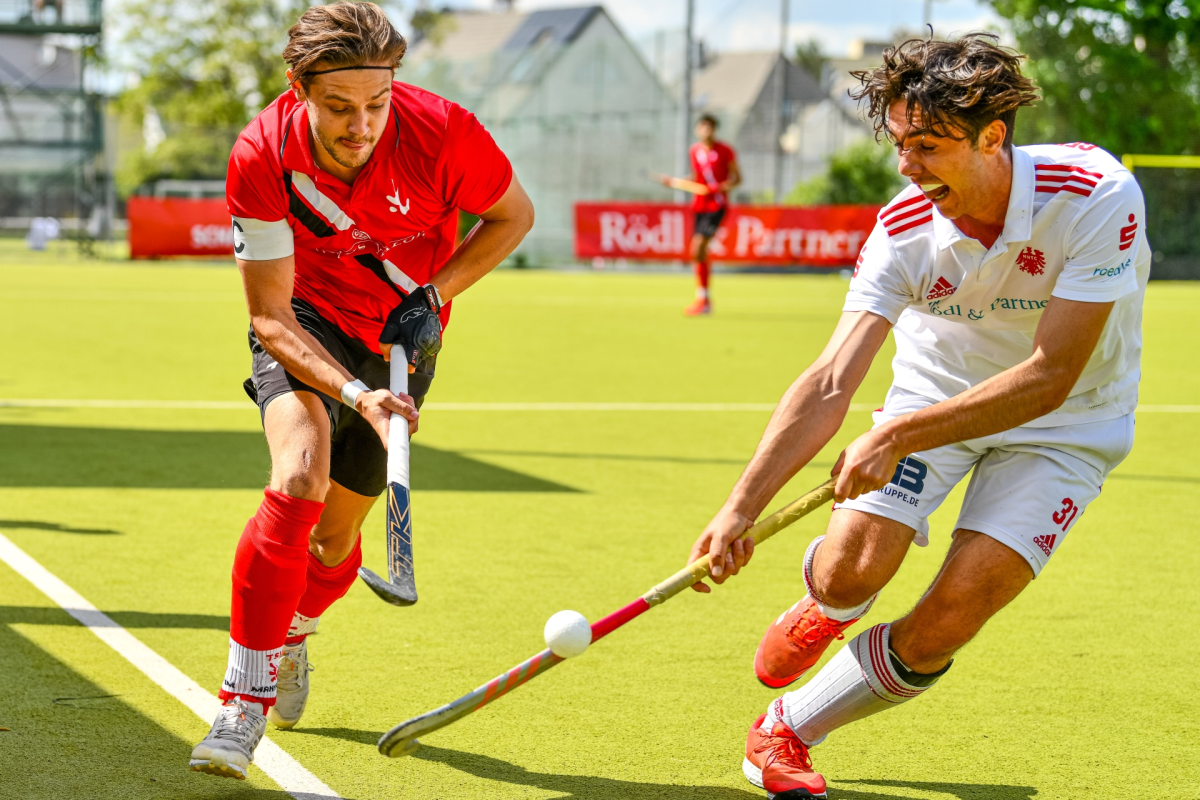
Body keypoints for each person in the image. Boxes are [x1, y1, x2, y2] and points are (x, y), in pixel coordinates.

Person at [686, 34, 1147, 799]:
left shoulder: (1095, 193)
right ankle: (829, 598)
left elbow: (1052, 375)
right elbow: (834, 377)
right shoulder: (903, 229)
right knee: (852, 570)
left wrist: (892, 435)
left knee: (955, 613)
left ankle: (787, 728)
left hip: (1067, 421)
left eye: (928, 146)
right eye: (900, 143)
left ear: (992, 137)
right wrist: (741, 506)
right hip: (935, 389)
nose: (907, 166)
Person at [189, 2, 533, 780]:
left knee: (336, 541)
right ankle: (244, 705)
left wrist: (435, 297)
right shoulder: (262, 154)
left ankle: (297, 629)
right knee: (300, 470)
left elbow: (513, 216)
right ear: (298, 87)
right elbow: (270, 317)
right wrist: (352, 390)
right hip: (306, 320)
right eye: (339, 107)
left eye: (375, 105)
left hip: (400, 335)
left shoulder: (444, 131)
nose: (361, 125)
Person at [660, 114, 740, 315]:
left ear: (715, 130)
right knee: (698, 252)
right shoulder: (694, 151)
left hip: (717, 205)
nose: (706, 130)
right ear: (697, 129)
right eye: (702, 127)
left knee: (699, 246)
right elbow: (697, 178)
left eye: (710, 127)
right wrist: (676, 182)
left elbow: (737, 178)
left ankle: (703, 299)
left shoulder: (725, 151)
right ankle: (703, 298)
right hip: (699, 205)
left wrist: (718, 188)